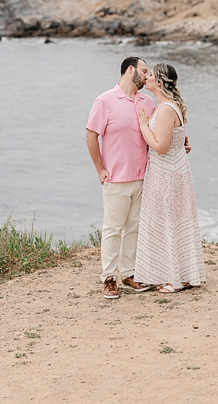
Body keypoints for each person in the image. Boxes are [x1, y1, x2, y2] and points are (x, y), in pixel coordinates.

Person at [86, 57, 155, 299]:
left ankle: (128, 274)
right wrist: (100, 169)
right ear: (130, 70)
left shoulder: (148, 102)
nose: (147, 76)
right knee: (113, 229)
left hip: (143, 177)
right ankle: (108, 278)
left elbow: (158, 132)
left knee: (134, 228)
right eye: (144, 71)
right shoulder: (105, 100)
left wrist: (181, 143)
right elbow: (91, 136)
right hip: (115, 178)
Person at [134, 63, 206, 293]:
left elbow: (160, 146)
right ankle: (182, 276)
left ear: (159, 82)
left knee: (167, 223)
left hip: (166, 175)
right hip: (173, 172)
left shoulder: (165, 109)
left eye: (151, 75)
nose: (147, 77)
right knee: (173, 222)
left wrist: (143, 125)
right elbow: (175, 139)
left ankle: (174, 280)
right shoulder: (166, 106)